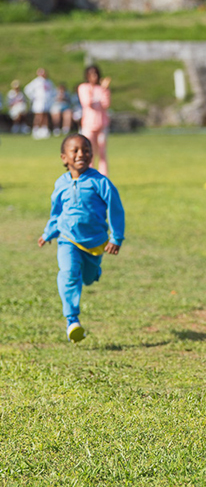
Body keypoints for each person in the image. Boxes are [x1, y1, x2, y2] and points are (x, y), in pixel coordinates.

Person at [38, 134, 125, 343]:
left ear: (92, 155)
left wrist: (117, 238)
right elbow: (56, 213)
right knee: (68, 274)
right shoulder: (60, 184)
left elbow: (116, 210)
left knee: (87, 277)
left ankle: (94, 271)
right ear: (64, 158)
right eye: (75, 150)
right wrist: (48, 232)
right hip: (68, 239)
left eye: (86, 150)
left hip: (95, 242)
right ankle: (72, 320)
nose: (81, 154)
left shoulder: (100, 182)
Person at [78, 65, 111, 177]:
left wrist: (103, 90)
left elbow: (105, 104)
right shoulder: (84, 87)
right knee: (88, 152)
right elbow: (87, 103)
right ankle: (89, 175)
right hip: (88, 124)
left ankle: (103, 176)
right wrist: (92, 89)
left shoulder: (102, 89)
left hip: (102, 124)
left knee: (102, 151)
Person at [24, 68, 55, 140]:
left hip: (46, 101)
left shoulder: (49, 82)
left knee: (45, 115)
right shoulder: (36, 81)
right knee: (39, 115)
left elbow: (53, 91)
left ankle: (44, 129)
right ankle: (36, 129)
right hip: (39, 101)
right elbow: (27, 89)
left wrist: (51, 99)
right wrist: (33, 97)